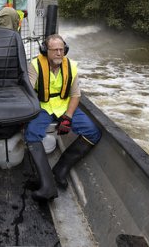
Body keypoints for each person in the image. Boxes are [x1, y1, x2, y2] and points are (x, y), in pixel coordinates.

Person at [24, 34, 102, 202]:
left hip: (65, 106)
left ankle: (60, 169)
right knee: (31, 133)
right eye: (55, 50)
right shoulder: (35, 66)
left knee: (93, 132)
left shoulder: (71, 67)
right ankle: (47, 184)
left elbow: (75, 95)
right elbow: (28, 92)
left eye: (62, 49)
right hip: (43, 106)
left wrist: (68, 117)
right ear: (45, 51)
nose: (59, 53)